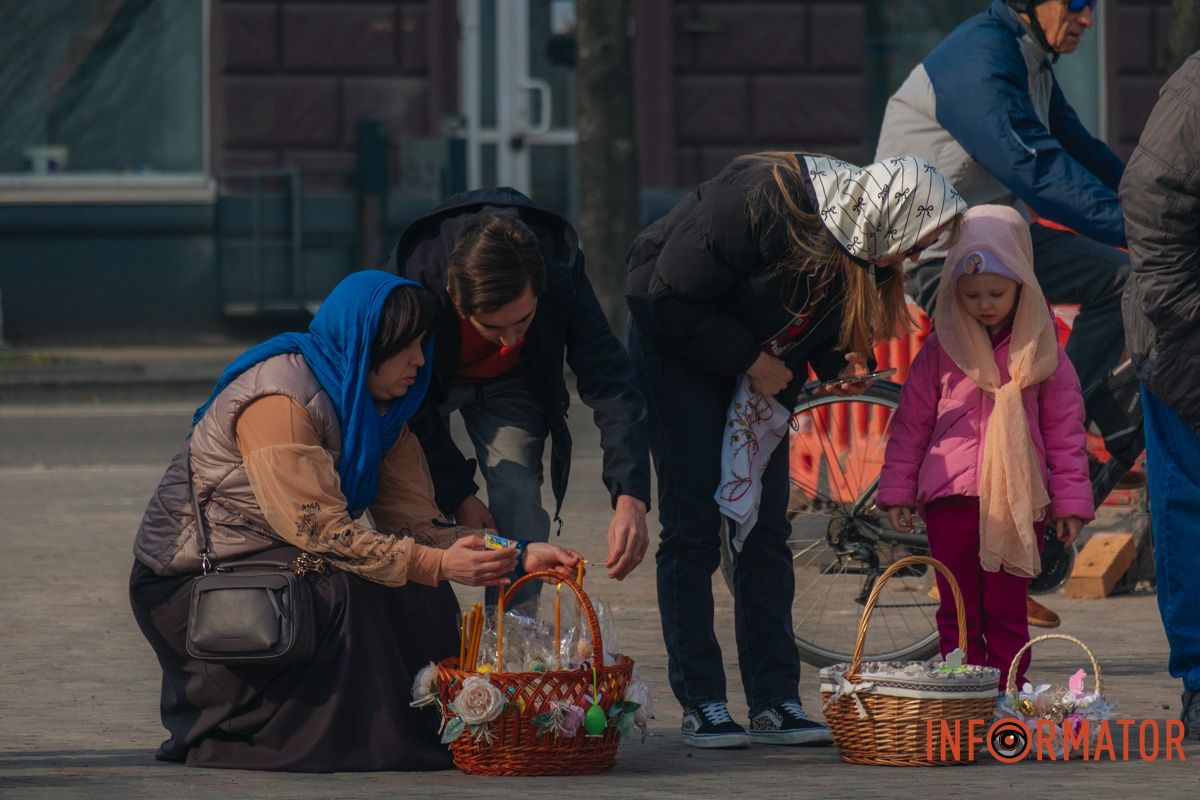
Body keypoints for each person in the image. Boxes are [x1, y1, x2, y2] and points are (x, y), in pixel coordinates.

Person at [129, 270, 582, 772]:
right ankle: (327, 737)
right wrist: (431, 562)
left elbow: (420, 528)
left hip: (280, 559)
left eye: (424, 345)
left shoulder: (383, 414)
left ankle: (428, 729)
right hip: (195, 583)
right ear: (366, 343)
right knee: (352, 587)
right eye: (406, 347)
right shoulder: (279, 399)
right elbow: (318, 530)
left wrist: (515, 552)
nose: (419, 361)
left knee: (421, 585)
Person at [625, 152, 965, 748]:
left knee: (765, 529)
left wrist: (839, 360)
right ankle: (702, 700)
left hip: (757, 366)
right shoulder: (762, 201)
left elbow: (809, 313)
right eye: (912, 247)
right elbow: (664, 299)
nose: (909, 261)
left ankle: (774, 700)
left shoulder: (858, 237)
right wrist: (750, 361)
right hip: (677, 349)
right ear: (890, 221)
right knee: (694, 527)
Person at [874, 0, 1137, 629]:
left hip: (990, 233)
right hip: (940, 252)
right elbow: (1036, 169)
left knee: (1121, 277)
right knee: (1124, 273)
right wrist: (1139, 227)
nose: (1087, 18)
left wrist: (1153, 206)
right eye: (1075, 3)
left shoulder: (1030, 57)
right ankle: (1042, 434)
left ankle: (1048, 424)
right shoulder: (980, 59)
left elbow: (1079, 150)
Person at [387, 188, 652, 608]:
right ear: (456, 298)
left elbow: (610, 378)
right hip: (423, 385)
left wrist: (631, 496)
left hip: (512, 387)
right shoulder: (418, 279)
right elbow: (402, 406)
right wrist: (458, 494)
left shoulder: (558, 269)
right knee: (414, 502)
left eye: (524, 320)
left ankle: (512, 642)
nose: (510, 341)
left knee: (517, 496)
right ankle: (423, 634)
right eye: (492, 328)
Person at [878, 205, 1094, 688]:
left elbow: (1065, 434)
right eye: (971, 294)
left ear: (1023, 284)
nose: (984, 304)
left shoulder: (1043, 353)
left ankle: (1005, 695)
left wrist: (1071, 502)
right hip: (951, 499)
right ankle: (960, 695)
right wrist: (897, 491)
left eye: (997, 292)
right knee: (956, 608)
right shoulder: (941, 348)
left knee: (1006, 609)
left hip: (1019, 503)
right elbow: (911, 423)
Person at [1119, 52, 1200, 739]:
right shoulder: (1196, 92)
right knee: (1188, 505)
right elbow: (1150, 208)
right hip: (1182, 339)